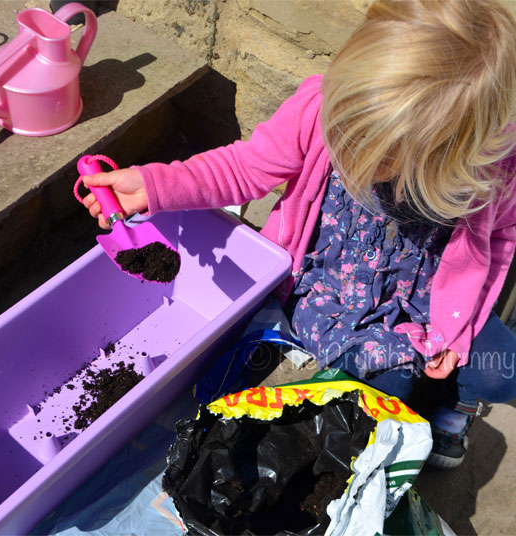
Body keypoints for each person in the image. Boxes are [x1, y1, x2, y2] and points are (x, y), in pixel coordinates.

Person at [80, 0, 516, 469]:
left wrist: (460, 328)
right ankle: (398, 410)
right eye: (346, 129)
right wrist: (154, 184)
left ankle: (455, 405)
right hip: (328, 284)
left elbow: (498, 244)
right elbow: (242, 167)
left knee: (501, 372)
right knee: (374, 391)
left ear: (453, 154)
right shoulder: (318, 107)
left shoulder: (491, 171)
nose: (350, 150)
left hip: (429, 294)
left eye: (380, 155)